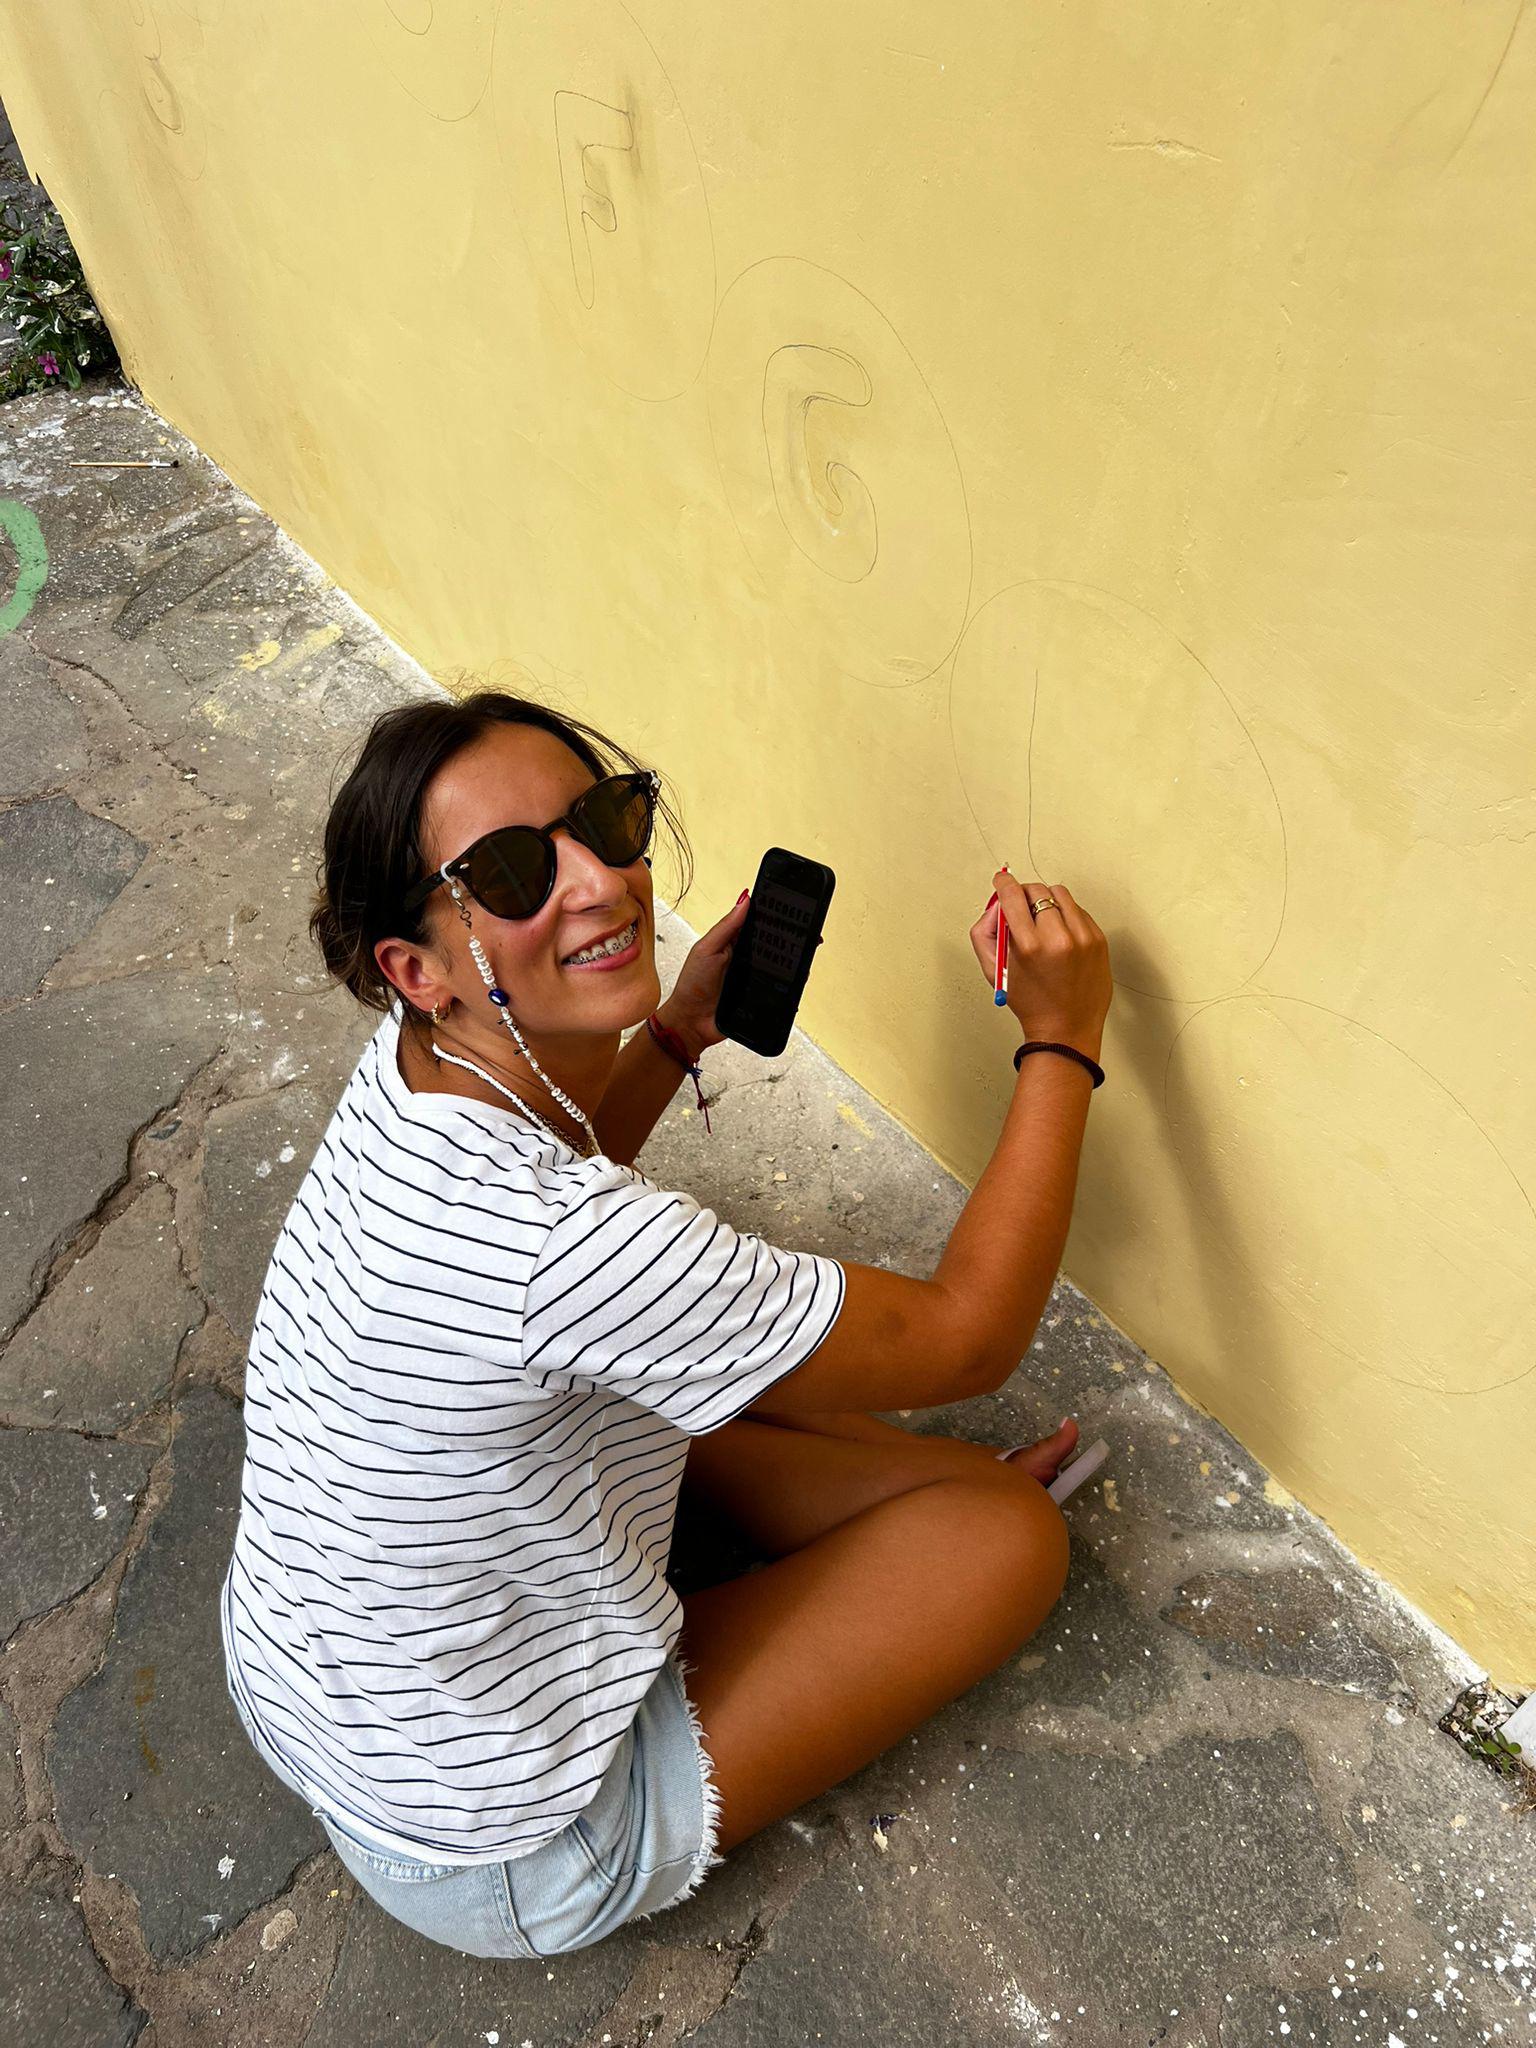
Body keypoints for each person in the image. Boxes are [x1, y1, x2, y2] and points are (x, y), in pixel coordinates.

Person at [220, 687, 1114, 1960]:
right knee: (1008, 1535)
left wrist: (680, 1025)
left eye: (605, 817)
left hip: (317, 1680)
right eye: (515, 872)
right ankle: (915, 1511)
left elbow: (563, 1278)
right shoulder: (575, 1246)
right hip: (499, 1843)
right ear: (413, 969)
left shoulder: (416, 1070)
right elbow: (971, 1337)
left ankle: (894, 1503)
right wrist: (1063, 1041)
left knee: (751, 1375)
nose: (598, 880)